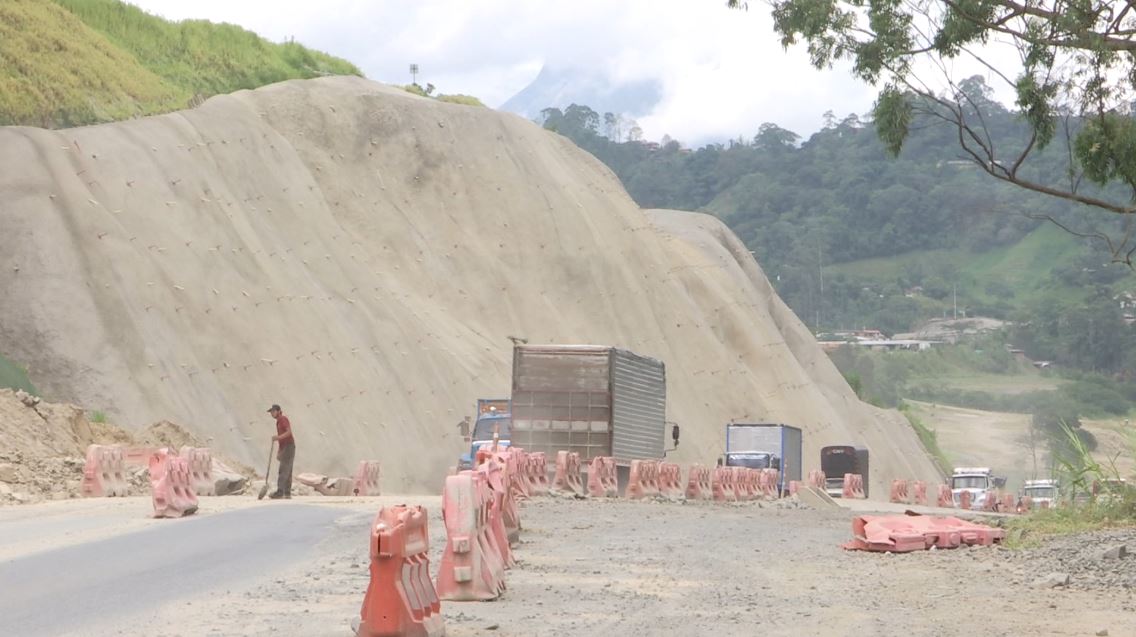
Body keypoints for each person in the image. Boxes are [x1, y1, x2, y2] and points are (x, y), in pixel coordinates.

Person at [267, 404, 295, 499]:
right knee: (288, 469)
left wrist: (277, 437)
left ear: (279, 411)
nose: (272, 413)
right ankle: (287, 492)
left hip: (289, 446)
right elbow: (282, 438)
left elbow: (288, 432)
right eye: (271, 412)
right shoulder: (279, 422)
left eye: (273, 411)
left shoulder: (283, 419)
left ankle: (280, 492)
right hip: (286, 447)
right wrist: (280, 450)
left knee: (284, 469)